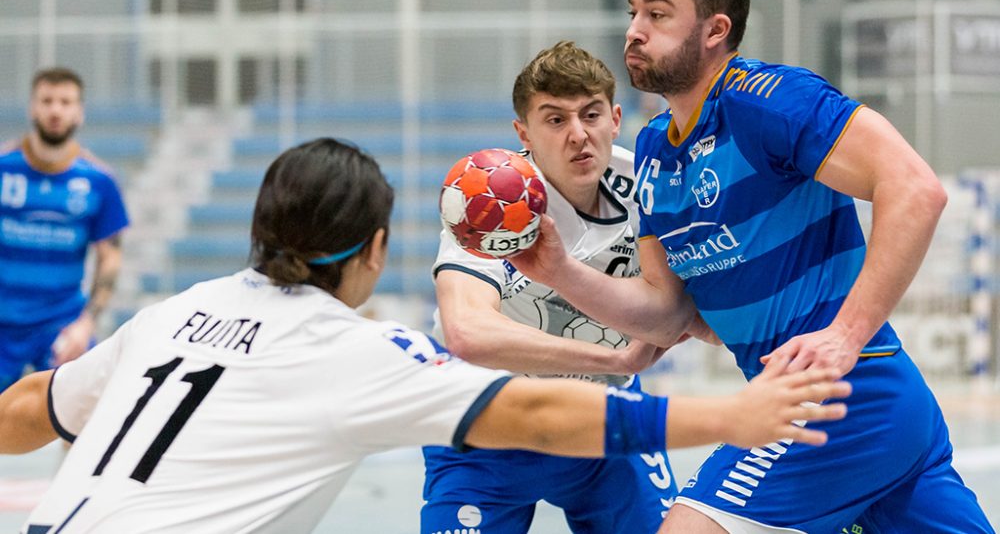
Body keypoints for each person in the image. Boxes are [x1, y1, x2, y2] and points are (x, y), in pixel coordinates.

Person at [0, 137, 850, 534]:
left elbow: (31, 407)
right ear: (373, 251)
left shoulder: (168, 315)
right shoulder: (355, 353)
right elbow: (543, 419)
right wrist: (731, 418)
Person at [508, 0, 993, 533]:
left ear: (714, 30)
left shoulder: (769, 100)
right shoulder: (655, 153)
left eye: (657, 14)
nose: (634, 30)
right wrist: (557, 270)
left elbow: (917, 189)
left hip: (838, 395)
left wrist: (843, 336)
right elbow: (666, 312)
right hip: (853, 404)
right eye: (634, 11)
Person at [423, 40, 718, 534]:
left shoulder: (653, 184)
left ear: (616, 119)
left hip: (600, 424)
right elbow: (467, 334)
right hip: (488, 423)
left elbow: (693, 308)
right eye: (556, 120)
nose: (579, 135)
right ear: (525, 133)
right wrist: (614, 360)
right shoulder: (492, 195)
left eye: (591, 114)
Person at [0, 68, 129, 393]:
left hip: (60, 325)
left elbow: (110, 260)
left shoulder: (99, 181)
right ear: (33, 108)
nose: (56, 110)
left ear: (79, 112)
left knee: (88, 416)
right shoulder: (3, 168)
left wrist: (86, 324)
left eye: (65, 102)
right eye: (47, 100)